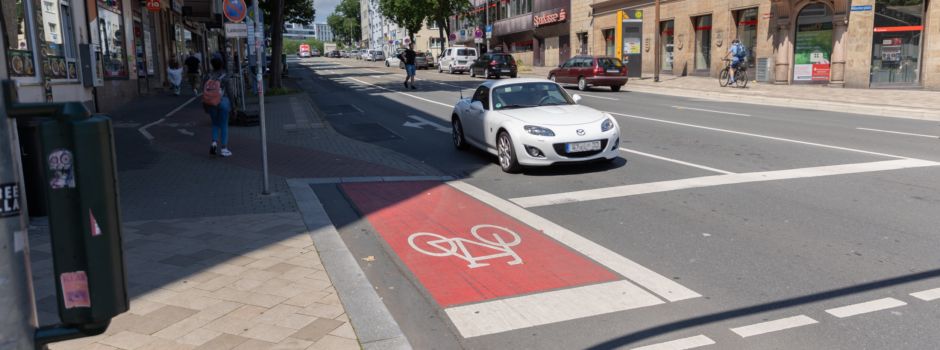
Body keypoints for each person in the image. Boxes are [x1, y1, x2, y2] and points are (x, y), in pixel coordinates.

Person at [203, 58, 234, 157]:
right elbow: (230, 92)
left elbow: (203, 90)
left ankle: (214, 143)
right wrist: (234, 105)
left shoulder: (208, 76)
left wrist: (205, 104)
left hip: (211, 102)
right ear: (222, 64)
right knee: (224, 125)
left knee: (215, 123)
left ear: (212, 65)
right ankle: (224, 149)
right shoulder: (225, 76)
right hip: (223, 102)